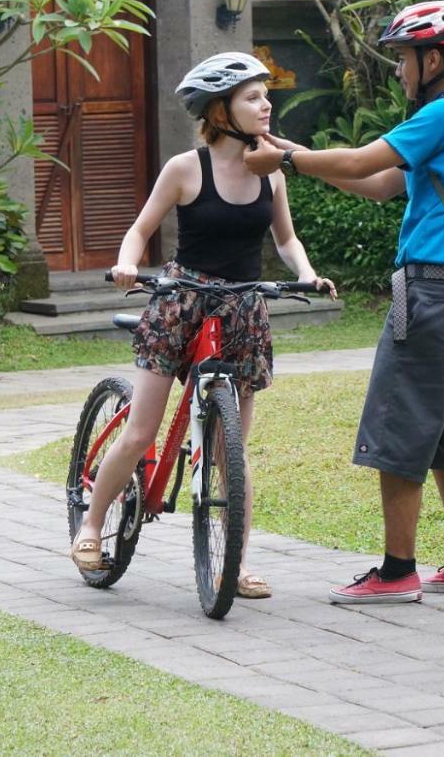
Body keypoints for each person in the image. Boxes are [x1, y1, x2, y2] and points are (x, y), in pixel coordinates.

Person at [244, 1, 444, 603]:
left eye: (404, 59)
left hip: (434, 290)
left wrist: (283, 160)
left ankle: (395, 571)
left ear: (433, 59)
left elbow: (361, 159)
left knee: (400, 424)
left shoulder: (440, 114)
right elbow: (378, 183)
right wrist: (297, 156)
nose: (398, 71)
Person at [70, 51, 336, 600]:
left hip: (241, 307)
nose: (266, 105)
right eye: (253, 97)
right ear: (220, 109)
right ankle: (92, 527)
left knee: (228, 453)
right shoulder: (186, 167)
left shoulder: (272, 171)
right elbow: (140, 229)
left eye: (266, 95)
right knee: (141, 430)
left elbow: (285, 241)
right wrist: (125, 264)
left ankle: (233, 563)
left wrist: (308, 276)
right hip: (180, 300)